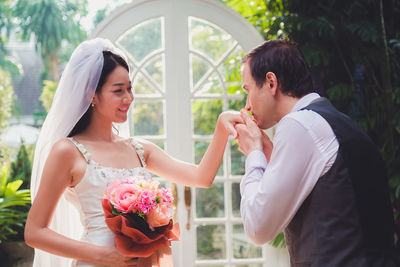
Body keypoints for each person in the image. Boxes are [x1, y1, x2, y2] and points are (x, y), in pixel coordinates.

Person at [25, 38, 242, 267]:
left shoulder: (140, 149)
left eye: (130, 88)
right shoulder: (68, 151)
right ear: (92, 95)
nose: (129, 98)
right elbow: (34, 232)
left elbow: (201, 177)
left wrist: (221, 128)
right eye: (118, 91)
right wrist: (101, 255)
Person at [234, 39, 396, 266]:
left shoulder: (299, 125)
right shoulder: (337, 122)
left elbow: (257, 227)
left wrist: (253, 154)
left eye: (248, 90)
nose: (248, 105)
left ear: (271, 82)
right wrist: (270, 158)